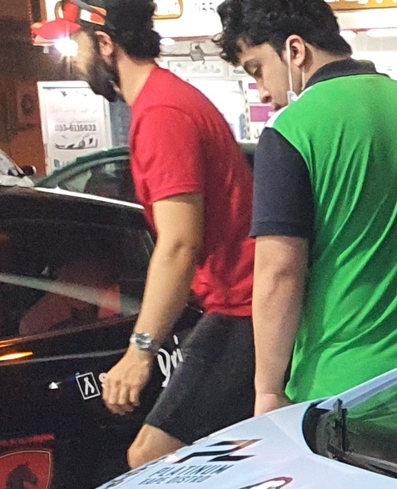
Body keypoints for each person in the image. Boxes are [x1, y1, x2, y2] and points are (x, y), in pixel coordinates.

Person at [220, 0, 397, 413]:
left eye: (258, 69)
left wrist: (268, 389)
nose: (261, 89)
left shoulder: (292, 131)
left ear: (295, 51)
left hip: (345, 393)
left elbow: (279, 272)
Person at [68, 0, 256, 464]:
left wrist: (140, 352)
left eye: (78, 45)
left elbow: (178, 244)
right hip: (243, 303)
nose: (75, 59)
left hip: (244, 307)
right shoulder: (166, 102)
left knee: (151, 456)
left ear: (106, 45)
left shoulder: (162, 114)